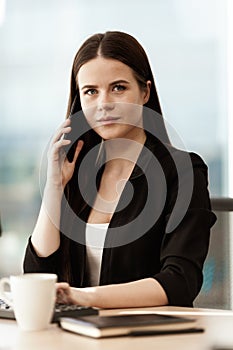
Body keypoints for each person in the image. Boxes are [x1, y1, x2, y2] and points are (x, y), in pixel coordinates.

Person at [23, 31, 216, 308]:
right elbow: (37, 276)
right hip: (77, 335)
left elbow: (179, 281)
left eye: (118, 88)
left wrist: (84, 297)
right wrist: (55, 186)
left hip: (148, 336)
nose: (104, 104)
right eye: (91, 92)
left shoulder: (182, 171)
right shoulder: (77, 171)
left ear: (145, 92)